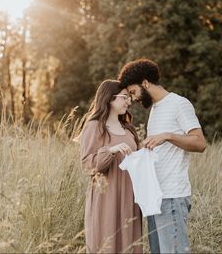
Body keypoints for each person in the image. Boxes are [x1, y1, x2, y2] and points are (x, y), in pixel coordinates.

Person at [118, 59, 207, 254]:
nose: (133, 99)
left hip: (172, 197)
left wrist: (167, 136)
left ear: (145, 83)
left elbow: (200, 143)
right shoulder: (155, 110)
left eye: (133, 92)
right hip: (155, 197)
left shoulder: (178, 104)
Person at [79, 79, 143, 253]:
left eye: (129, 97)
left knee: (129, 243)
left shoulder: (129, 129)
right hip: (106, 197)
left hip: (129, 197)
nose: (128, 101)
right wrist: (110, 151)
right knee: (106, 243)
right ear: (109, 99)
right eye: (124, 97)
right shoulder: (94, 127)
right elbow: (87, 164)